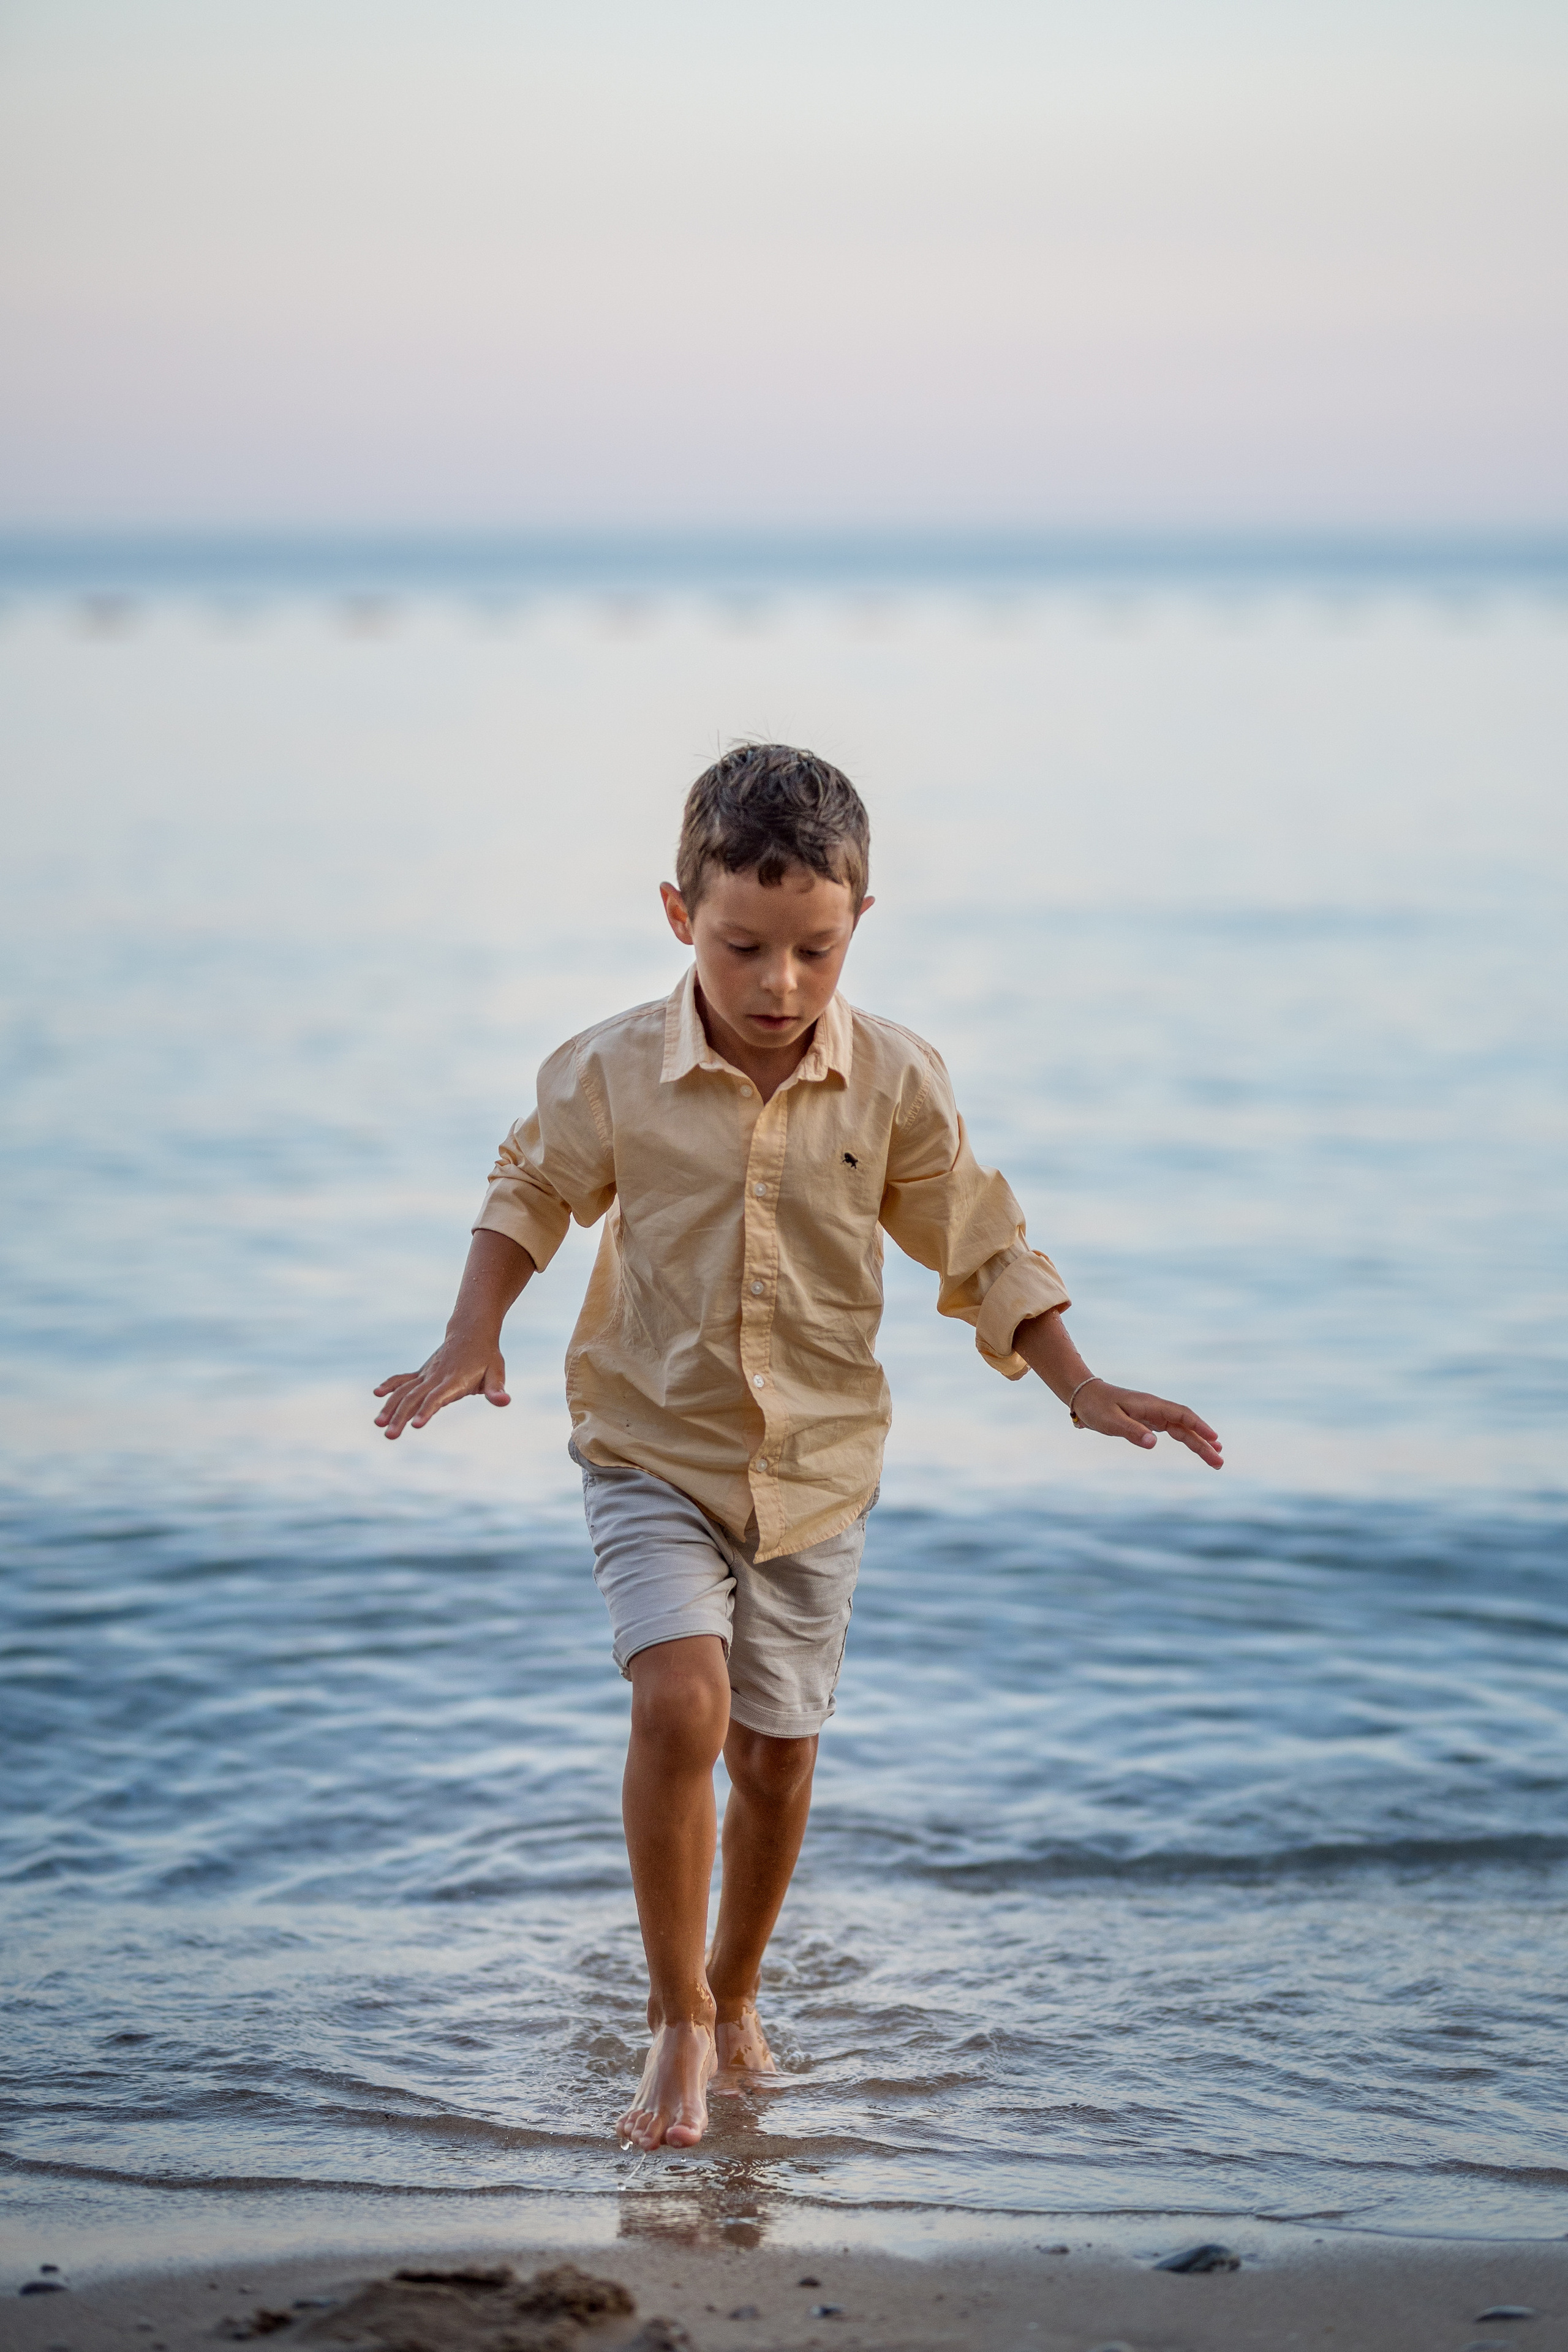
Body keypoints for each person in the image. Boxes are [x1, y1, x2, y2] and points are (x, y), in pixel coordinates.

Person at [373, 744, 1221, 2152]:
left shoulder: (894, 1081)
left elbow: (980, 1242)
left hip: (817, 1474)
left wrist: (1071, 1381)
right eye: (741, 946)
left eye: (812, 952)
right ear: (676, 914)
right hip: (650, 1447)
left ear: (857, 927)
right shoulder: (606, 1071)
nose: (777, 986)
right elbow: (524, 1193)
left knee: (773, 1759)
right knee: (680, 1707)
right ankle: (675, 2020)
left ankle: (739, 1988)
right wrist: (472, 1334)